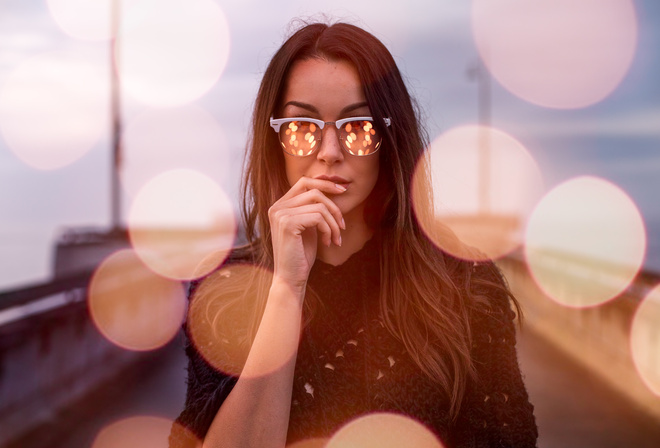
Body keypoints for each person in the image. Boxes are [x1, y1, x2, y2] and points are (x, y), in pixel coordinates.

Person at [169, 21, 538, 448]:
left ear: (390, 135)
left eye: (357, 127)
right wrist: (287, 288)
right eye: (302, 128)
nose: (328, 152)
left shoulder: (466, 285)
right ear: (275, 142)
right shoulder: (224, 290)